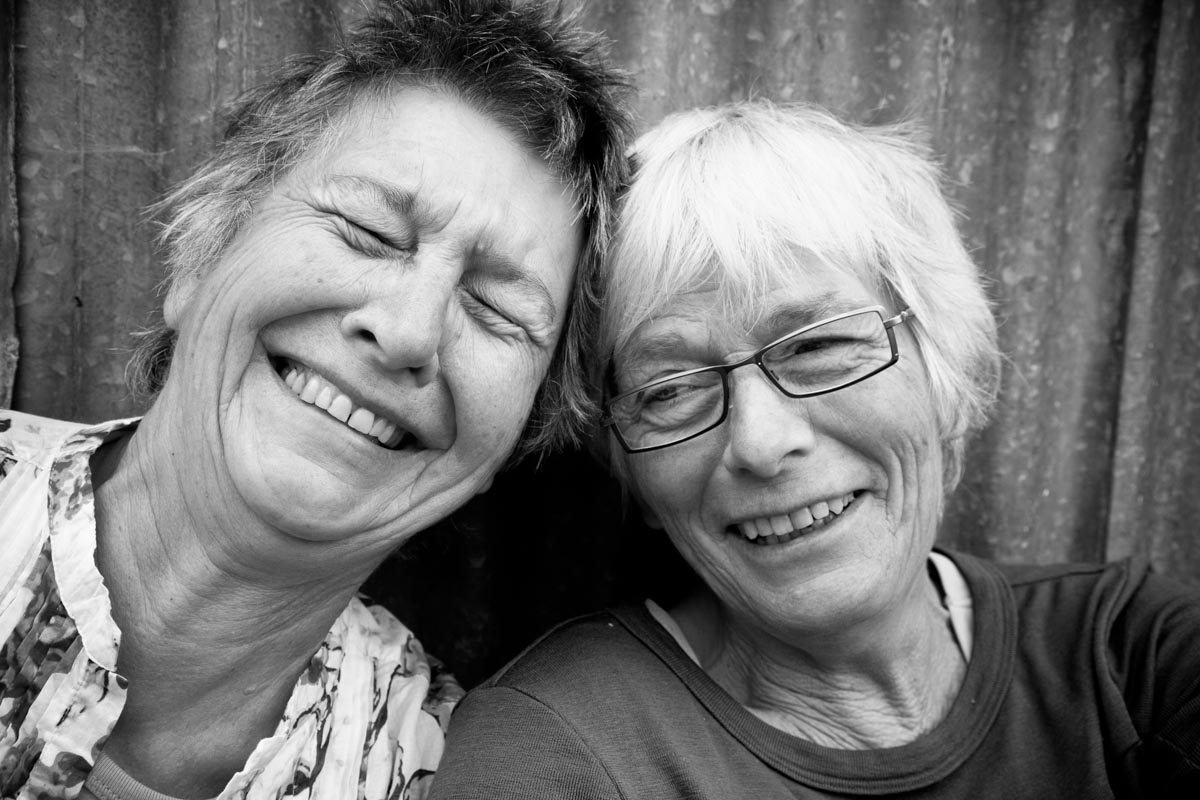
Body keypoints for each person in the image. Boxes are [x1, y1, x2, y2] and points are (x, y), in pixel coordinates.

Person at [429, 101, 1200, 799]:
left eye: (819, 346)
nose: (761, 444)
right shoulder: (558, 753)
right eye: (670, 390)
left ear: (941, 365)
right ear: (629, 470)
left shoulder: (1130, 655)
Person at [0, 1, 630, 797]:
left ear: (519, 435)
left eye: (499, 312)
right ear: (201, 254)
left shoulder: (440, 774)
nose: (407, 332)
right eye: (367, 230)